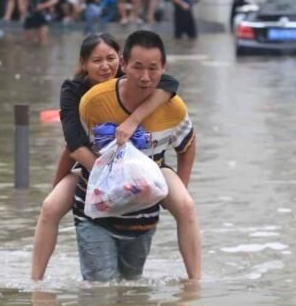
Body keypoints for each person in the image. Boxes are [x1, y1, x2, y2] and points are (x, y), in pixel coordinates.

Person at [31, 32, 201, 282]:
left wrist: (134, 120)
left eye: (110, 58)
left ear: (120, 60)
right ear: (83, 64)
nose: (105, 66)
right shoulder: (79, 94)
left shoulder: (140, 80)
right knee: (50, 206)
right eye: (96, 60)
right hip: (93, 164)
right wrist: (112, 175)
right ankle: (36, 282)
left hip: (149, 164)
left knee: (186, 205)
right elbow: (73, 146)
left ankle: (195, 282)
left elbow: (170, 84)